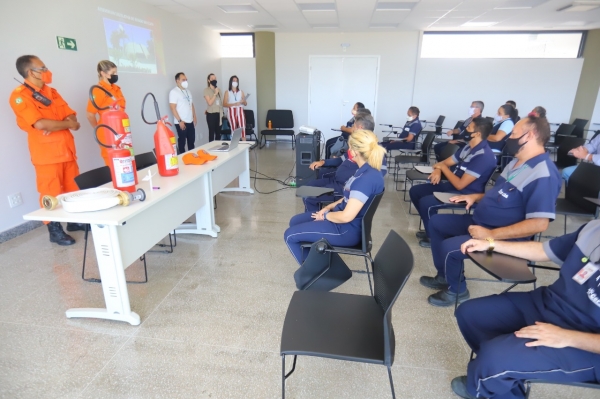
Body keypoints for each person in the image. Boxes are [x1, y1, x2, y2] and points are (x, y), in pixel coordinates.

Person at [420, 115, 561, 307]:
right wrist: (475, 197)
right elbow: (498, 193)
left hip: (503, 238)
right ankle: (444, 276)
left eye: (514, 134)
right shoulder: (515, 162)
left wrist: (490, 236)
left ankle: (457, 290)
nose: (508, 138)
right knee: (437, 223)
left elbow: (539, 224)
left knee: (451, 248)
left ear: (529, 136)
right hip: (482, 223)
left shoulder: (543, 174)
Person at [450, 220, 600, 399]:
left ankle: (488, 376)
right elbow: (542, 250)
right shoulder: (594, 228)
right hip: (548, 304)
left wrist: (566, 337)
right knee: (470, 314)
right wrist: (491, 244)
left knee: (494, 361)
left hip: (586, 341)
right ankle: (498, 382)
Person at [9, 55, 84, 245]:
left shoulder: (52, 92)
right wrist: (64, 124)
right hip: (47, 155)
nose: (46, 71)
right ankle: (54, 230)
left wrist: (60, 124)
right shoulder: (19, 96)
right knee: (49, 192)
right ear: (31, 72)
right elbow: (40, 124)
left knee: (72, 188)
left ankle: (74, 222)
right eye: (42, 68)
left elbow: (72, 117)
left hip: (67, 150)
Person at [284, 130, 386, 265]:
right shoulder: (368, 171)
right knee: (295, 221)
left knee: (289, 235)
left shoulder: (365, 179)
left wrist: (325, 216)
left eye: (350, 147)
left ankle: (314, 271)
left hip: (346, 230)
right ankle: (318, 260)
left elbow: (346, 217)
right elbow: (349, 198)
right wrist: (329, 207)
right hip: (343, 220)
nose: (348, 151)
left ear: (355, 151)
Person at [409, 117, 496, 246]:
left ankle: (433, 236)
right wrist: (438, 170)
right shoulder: (468, 147)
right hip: (452, 185)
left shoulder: (483, 156)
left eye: (468, 128)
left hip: (465, 193)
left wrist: (443, 168)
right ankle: (431, 229)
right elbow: (445, 162)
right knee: (415, 191)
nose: (464, 130)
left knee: (426, 202)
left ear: (477, 134)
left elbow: (460, 184)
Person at [303, 114, 385, 212]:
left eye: (353, 126)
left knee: (309, 196)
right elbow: (342, 159)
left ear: (360, 128)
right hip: (336, 181)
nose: (351, 128)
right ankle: (314, 219)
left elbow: (379, 173)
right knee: (308, 186)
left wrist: (350, 183)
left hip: (344, 188)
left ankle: (314, 222)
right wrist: (323, 162)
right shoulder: (357, 144)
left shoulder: (372, 149)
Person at [86, 60, 126, 166]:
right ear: (103, 73)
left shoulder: (116, 89)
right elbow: (90, 114)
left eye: (116, 73)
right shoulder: (98, 90)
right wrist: (98, 129)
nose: (115, 75)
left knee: (125, 161)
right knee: (113, 164)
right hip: (107, 132)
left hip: (121, 130)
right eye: (112, 73)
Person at [169, 72, 197, 154]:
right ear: (177, 81)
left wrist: (194, 116)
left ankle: (192, 158)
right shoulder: (174, 92)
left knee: (191, 141)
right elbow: (172, 108)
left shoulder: (188, 91)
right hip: (181, 122)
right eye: (183, 80)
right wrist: (179, 121)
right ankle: (182, 160)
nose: (185, 81)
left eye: (186, 80)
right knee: (182, 143)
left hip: (190, 121)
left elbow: (191, 104)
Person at [223, 75, 247, 141]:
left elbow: (245, 104)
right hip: (231, 110)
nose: (235, 82)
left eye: (236, 81)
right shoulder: (227, 92)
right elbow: (224, 104)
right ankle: (235, 147)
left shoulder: (241, 92)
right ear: (231, 82)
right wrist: (234, 104)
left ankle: (245, 147)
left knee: (242, 128)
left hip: (240, 110)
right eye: (234, 80)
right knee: (234, 129)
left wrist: (243, 101)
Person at [203, 73, 222, 142]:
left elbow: (220, 102)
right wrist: (215, 94)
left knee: (218, 133)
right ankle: (211, 149)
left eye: (215, 78)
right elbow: (210, 103)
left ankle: (218, 149)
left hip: (219, 114)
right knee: (211, 133)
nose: (214, 80)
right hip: (211, 114)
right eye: (212, 79)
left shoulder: (218, 89)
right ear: (208, 80)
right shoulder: (206, 90)